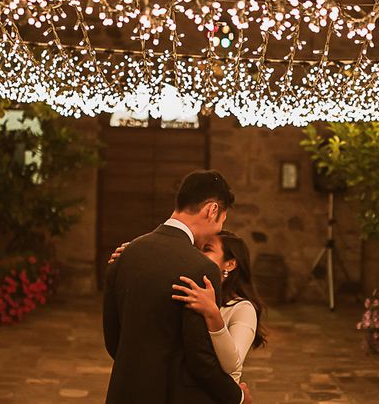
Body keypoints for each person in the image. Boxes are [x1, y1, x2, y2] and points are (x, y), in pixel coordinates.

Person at [102, 170, 252, 404]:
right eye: (222, 219)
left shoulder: (124, 255)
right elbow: (200, 359)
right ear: (211, 210)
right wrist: (238, 397)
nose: (219, 228)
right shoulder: (200, 268)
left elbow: (114, 342)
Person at [172, 230, 267, 383]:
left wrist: (213, 315)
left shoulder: (242, 309)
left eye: (207, 249)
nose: (197, 254)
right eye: (196, 249)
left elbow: (232, 365)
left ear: (230, 264)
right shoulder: (188, 294)